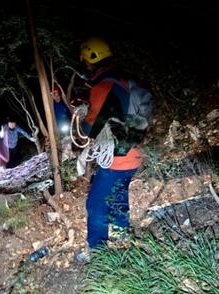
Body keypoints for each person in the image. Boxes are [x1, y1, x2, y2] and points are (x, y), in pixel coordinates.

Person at [76, 37, 147, 257]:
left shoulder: (102, 87)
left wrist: (81, 116)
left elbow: (90, 129)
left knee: (96, 204)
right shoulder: (124, 80)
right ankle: (122, 234)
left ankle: (97, 252)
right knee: (118, 192)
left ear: (89, 61)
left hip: (117, 158)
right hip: (134, 154)